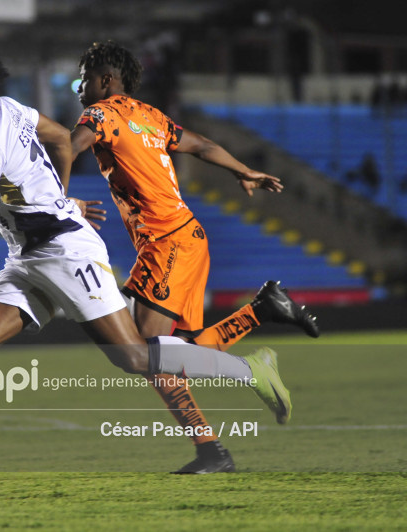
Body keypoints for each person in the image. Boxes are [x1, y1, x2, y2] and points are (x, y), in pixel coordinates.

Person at [0, 42, 293, 497]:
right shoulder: (12, 109)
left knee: (133, 356)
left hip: (64, 252)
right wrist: (59, 197)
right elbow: (57, 138)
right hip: (29, 257)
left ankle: (250, 371)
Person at [69, 40, 320, 474]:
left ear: (106, 80)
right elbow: (201, 145)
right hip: (185, 237)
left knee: (143, 352)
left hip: (166, 242)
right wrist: (243, 170)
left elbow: (67, 147)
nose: (79, 88)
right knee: (167, 358)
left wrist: (55, 194)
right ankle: (213, 448)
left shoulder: (100, 114)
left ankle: (251, 367)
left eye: (84, 79)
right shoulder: (151, 116)